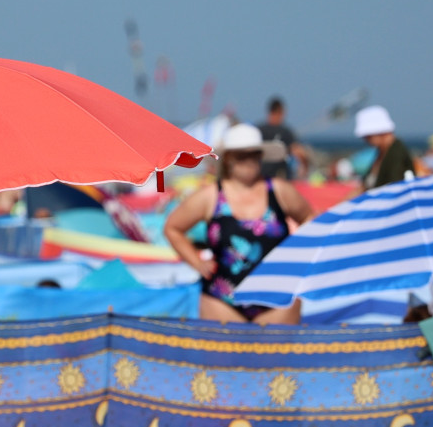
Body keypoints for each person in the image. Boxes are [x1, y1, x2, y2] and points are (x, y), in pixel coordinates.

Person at [164, 123, 314, 324]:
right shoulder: (210, 197)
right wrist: (196, 262)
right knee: (223, 356)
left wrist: (299, 256)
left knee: (278, 356)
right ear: (228, 159)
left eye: (255, 154)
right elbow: (173, 228)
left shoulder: (279, 191)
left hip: (279, 297)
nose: (250, 161)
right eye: (242, 155)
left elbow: (311, 219)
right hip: (221, 300)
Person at [351, 106, 414, 195]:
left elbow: (394, 188)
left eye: (367, 136)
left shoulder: (396, 153)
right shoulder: (382, 152)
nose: (365, 140)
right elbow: (364, 186)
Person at [258, 96, 312, 180]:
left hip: (260, 178)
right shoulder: (285, 132)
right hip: (280, 178)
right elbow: (300, 153)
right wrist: (305, 169)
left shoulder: (258, 130)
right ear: (281, 112)